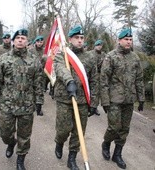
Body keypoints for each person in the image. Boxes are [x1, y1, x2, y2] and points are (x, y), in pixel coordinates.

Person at [0, 29, 44, 170]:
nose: (20, 40)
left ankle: (20, 159)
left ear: (26, 41)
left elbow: (38, 83)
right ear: (13, 41)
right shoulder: (4, 59)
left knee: (24, 136)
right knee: (5, 133)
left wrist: (39, 101)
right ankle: (11, 143)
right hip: (7, 105)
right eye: (17, 37)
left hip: (26, 105)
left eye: (23, 38)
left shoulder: (33, 60)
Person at [53, 25, 98, 170]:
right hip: (64, 98)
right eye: (76, 38)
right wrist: (69, 81)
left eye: (82, 38)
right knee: (63, 129)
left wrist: (94, 103)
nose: (80, 40)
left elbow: (94, 80)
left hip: (82, 101)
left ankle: (71, 158)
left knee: (79, 132)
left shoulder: (90, 57)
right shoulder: (63, 54)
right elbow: (60, 69)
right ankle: (59, 142)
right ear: (70, 39)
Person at [100, 28, 145, 169]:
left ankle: (117, 154)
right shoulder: (111, 56)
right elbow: (104, 80)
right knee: (114, 127)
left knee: (124, 128)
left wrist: (141, 98)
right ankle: (106, 143)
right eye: (126, 39)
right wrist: (105, 101)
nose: (129, 42)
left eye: (131, 40)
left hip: (129, 99)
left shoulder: (135, 57)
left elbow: (139, 79)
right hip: (114, 99)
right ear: (119, 40)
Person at [89, 39, 106, 116]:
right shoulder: (90, 54)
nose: (99, 47)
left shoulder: (104, 55)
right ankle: (88, 106)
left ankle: (95, 107)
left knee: (97, 92)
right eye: (98, 45)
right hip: (90, 75)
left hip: (99, 75)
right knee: (89, 90)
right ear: (95, 46)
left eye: (100, 45)